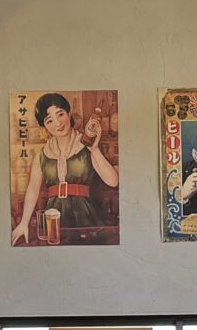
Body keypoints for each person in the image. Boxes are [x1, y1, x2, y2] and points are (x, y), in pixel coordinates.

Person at [12, 92, 118, 244]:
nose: (58, 123)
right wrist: (23, 223)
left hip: (85, 217)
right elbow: (33, 189)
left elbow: (113, 181)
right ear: (44, 126)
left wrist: (94, 150)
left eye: (60, 114)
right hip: (54, 218)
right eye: (49, 120)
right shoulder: (42, 154)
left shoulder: (86, 145)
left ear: (69, 114)